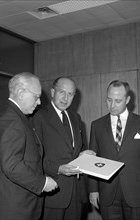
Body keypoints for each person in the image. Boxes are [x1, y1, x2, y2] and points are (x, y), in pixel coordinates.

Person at [0, 72, 58, 220]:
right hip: (13, 210)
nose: (38, 102)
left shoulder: (15, 116)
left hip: (19, 206)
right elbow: (12, 165)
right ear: (20, 93)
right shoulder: (10, 118)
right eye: (36, 97)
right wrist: (42, 182)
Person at [89, 80, 140, 220]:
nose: (112, 105)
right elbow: (92, 160)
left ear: (127, 99)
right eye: (109, 100)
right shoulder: (97, 125)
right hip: (107, 193)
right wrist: (93, 190)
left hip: (136, 193)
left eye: (118, 100)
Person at [32, 77, 95, 220]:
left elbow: (77, 150)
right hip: (53, 192)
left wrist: (83, 155)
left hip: (76, 192)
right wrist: (58, 168)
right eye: (62, 92)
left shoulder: (76, 118)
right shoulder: (38, 117)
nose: (66, 98)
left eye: (70, 94)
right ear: (53, 92)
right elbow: (34, 157)